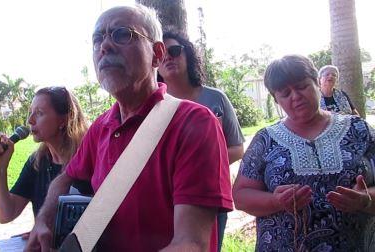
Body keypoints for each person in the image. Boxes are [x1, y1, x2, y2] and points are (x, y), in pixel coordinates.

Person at [25, 4, 233, 252]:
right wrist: (43, 219)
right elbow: (66, 178)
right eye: (97, 39)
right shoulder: (100, 127)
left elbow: (191, 244)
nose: (105, 46)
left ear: (157, 54)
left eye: (122, 34)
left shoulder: (195, 123)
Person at [233, 54, 375, 251]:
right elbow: (240, 196)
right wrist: (275, 201)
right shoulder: (265, 140)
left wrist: (366, 199)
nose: (296, 96)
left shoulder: (359, 130)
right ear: (277, 100)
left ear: (316, 82)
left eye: (301, 86)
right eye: (285, 93)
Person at [157, 31, 243, 251]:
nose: (168, 57)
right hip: (164, 199)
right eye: (162, 53)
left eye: (175, 51)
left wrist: (201, 163)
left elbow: (237, 148)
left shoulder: (216, 98)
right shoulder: (151, 108)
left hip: (209, 196)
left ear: (188, 56)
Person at [0, 86, 88, 223]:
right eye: (30, 112)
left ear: (64, 120)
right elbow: (6, 214)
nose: (30, 120)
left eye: (39, 113)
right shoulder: (37, 162)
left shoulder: (89, 158)